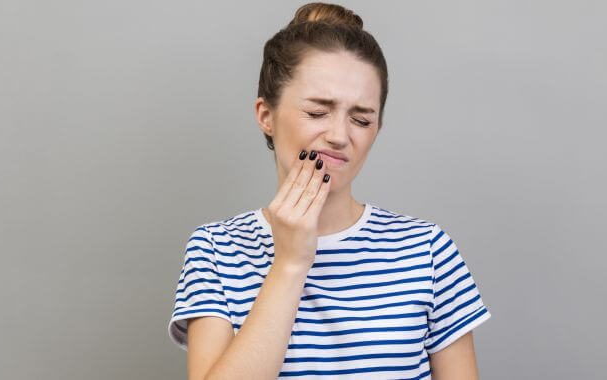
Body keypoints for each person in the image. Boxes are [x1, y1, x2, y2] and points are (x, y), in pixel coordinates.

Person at [167, 2, 492, 379]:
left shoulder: (428, 250)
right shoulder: (215, 250)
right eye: (317, 112)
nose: (339, 136)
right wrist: (290, 264)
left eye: (360, 118)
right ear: (266, 116)